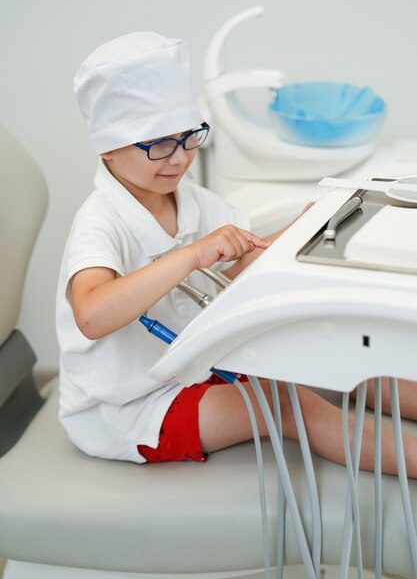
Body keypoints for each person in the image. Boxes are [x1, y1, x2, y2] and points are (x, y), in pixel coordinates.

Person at [57, 31, 417, 474]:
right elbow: (92, 315)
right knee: (286, 403)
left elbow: (245, 265)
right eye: (159, 145)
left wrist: (307, 225)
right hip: (131, 409)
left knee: (354, 365)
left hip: (197, 365)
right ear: (108, 148)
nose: (179, 158)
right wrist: (192, 255)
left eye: (189, 137)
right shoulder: (100, 222)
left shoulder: (189, 199)